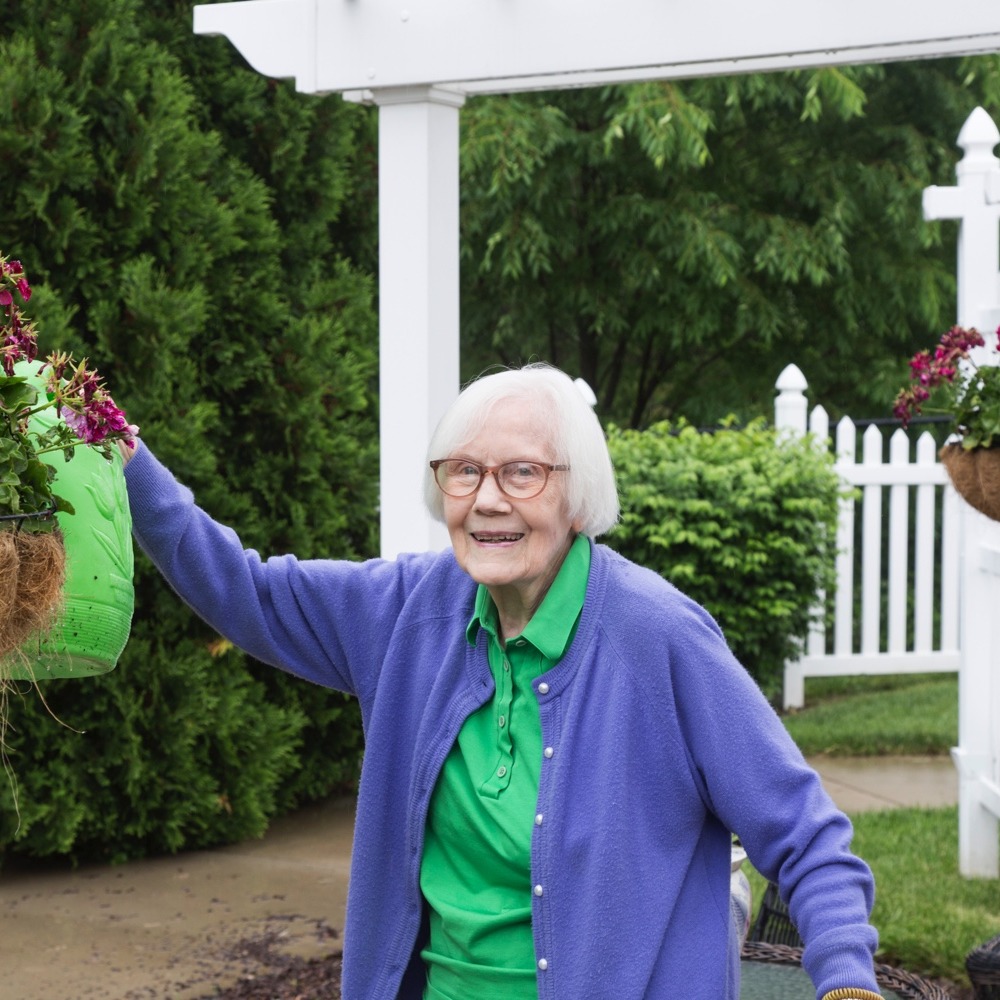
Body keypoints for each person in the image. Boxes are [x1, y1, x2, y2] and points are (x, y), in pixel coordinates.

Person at [121, 363, 882, 1000]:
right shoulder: (406, 613)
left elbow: (806, 835)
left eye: (522, 472)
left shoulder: (660, 638)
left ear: (574, 490)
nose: (488, 499)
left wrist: (847, 979)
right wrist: (120, 454)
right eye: (465, 472)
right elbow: (242, 590)